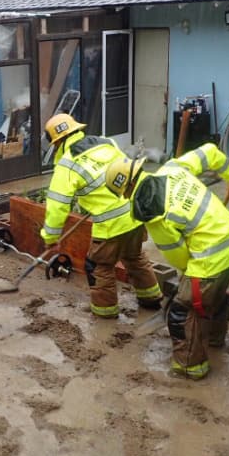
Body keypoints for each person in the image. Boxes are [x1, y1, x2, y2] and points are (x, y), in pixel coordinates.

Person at [105, 144, 229, 379]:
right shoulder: (171, 168)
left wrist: (187, 272)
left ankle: (191, 368)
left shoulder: (153, 213)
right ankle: (213, 341)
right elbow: (210, 152)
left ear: (124, 193)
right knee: (214, 295)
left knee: (185, 308)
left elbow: (177, 254)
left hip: (211, 254)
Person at [41, 113, 163, 318]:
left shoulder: (67, 164)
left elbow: (57, 206)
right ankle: (151, 298)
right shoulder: (106, 143)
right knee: (135, 257)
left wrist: (51, 239)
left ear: (57, 142)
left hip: (110, 225)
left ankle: (105, 313)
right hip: (135, 214)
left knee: (100, 266)